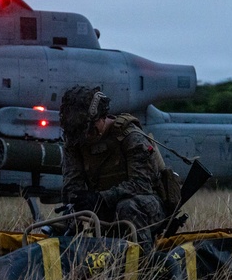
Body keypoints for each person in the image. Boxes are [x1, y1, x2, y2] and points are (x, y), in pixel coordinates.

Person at [58, 85, 166, 251]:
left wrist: (101, 198)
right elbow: (72, 184)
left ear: (102, 117)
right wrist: (78, 205)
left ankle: (141, 262)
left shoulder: (130, 137)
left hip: (145, 205)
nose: (86, 137)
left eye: (90, 131)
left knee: (128, 207)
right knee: (71, 215)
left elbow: (142, 184)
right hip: (103, 206)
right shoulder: (75, 143)